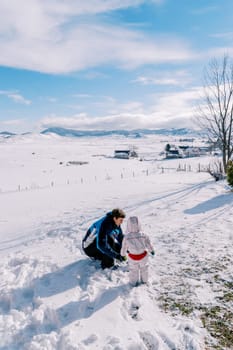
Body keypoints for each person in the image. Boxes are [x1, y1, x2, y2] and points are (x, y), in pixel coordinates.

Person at [120, 216, 154, 286]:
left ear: (128, 225)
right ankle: (144, 280)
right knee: (144, 268)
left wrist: (123, 254)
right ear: (139, 224)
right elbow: (148, 244)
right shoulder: (144, 235)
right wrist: (152, 250)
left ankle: (133, 282)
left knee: (133, 270)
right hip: (143, 256)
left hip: (132, 257)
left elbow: (124, 247)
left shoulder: (126, 237)